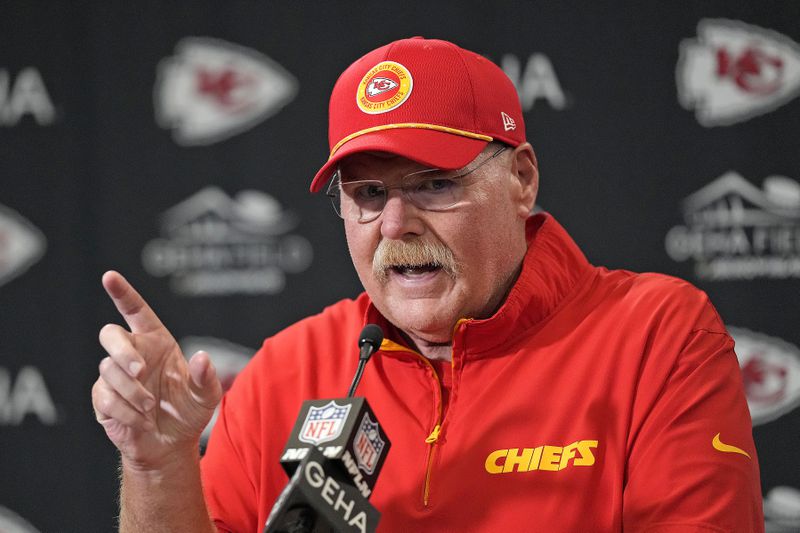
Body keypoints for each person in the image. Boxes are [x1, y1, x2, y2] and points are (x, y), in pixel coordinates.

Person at [92, 37, 764, 532]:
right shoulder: (287, 369)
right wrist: (158, 463)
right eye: (369, 192)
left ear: (521, 180)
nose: (394, 222)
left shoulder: (656, 334)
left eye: (434, 184)